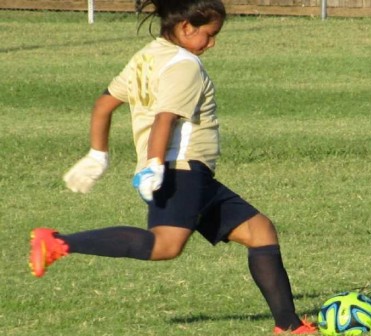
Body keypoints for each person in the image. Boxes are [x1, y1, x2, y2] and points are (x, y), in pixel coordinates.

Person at [28, 0, 316, 334]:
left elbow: (104, 105)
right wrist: (153, 165)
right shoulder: (185, 65)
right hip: (179, 170)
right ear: (185, 28)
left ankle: (289, 326)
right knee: (165, 245)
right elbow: (165, 119)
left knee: (259, 231)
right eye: (209, 35)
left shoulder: (148, 56)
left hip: (187, 173)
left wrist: (98, 154)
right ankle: (58, 243)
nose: (212, 43)